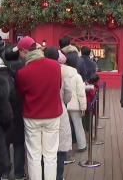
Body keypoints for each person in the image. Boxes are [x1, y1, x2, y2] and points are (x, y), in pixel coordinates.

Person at [14, 36, 63, 180]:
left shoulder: (22, 73)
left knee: (33, 154)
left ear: (24, 51)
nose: (19, 56)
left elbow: (19, 93)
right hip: (53, 114)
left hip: (32, 115)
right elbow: (58, 86)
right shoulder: (55, 66)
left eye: (20, 52)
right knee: (50, 154)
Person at [43, 47, 72, 180]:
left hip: (41, 111)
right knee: (60, 148)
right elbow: (68, 93)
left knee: (44, 147)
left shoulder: (38, 69)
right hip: (59, 109)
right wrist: (63, 102)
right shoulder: (62, 71)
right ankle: (58, 176)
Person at [2, 45, 26, 180]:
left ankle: (4, 171)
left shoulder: (1, 70)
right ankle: (18, 172)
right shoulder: (23, 68)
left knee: (4, 143)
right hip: (20, 108)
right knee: (19, 143)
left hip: (4, 108)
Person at [64, 56, 87, 152]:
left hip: (64, 104)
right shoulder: (77, 76)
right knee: (78, 125)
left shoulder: (61, 74)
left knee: (65, 127)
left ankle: (66, 148)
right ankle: (82, 145)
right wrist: (83, 107)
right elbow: (81, 93)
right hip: (74, 104)